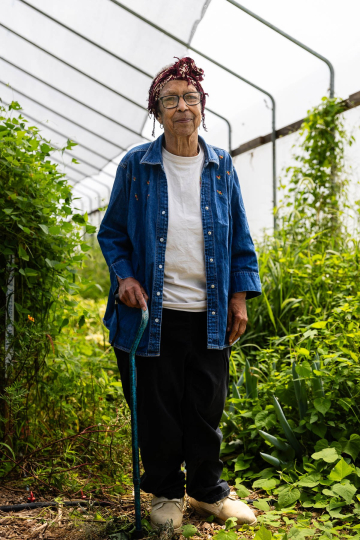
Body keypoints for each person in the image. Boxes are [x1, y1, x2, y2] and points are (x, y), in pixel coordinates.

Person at [98, 56, 261, 531]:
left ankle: (208, 494)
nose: (182, 106)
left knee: (206, 406)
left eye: (191, 97)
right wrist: (125, 276)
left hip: (207, 311)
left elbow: (241, 239)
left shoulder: (221, 166)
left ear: (203, 107)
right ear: (158, 111)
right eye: (171, 100)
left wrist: (238, 297)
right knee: (158, 409)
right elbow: (112, 234)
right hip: (154, 313)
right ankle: (167, 493)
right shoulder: (138, 166)